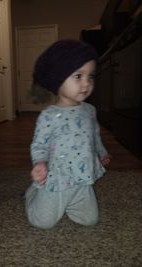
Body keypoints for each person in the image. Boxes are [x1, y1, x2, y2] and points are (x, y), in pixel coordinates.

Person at [25, 39, 111, 229]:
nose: (86, 83)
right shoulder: (49, 116)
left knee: (89, 220)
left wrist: (101, 152)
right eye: (78, 76)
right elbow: (39, 144)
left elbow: (94, 135)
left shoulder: (89, 110)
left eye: (91, 76)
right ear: (58, 79)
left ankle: (71, 201)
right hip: (58, 177)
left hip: (83, 178)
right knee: (42, 223)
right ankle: (34, 193)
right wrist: (39, 162)